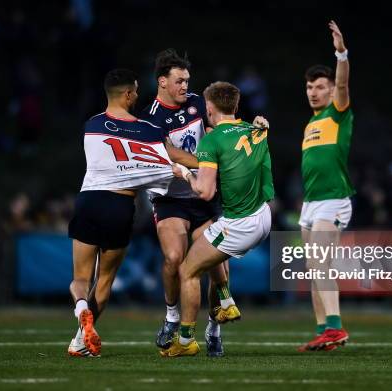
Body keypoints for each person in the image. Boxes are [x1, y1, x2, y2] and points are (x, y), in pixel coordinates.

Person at [66, 68, 182, 357]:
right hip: (120, 207)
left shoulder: (91, 125)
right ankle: (81, 340)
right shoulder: (149, 131)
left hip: (89, 201)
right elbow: (166, 159)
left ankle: (82, 312)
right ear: (129, 94)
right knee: (104, 280)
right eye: (136, 91)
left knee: (81, 278)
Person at [140, 49, 243, 357]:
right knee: (173, 258)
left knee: (215, 263)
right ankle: (172, 318)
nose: (185, 86)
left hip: (203, 197)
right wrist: (207, 160)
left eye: (187, 80)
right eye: (179, 81)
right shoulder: (149, 118)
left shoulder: (199, 103)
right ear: (162, 82)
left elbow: (217, 132)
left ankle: (214, 329)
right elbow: (171, 153)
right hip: (170, 199)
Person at [160, 81, 273, 357]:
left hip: (239, 224)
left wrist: (185, 174)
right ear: (235, 107)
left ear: (208, 108)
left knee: (188, 271)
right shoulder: (256, 129)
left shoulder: (211, 141)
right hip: (264, 215)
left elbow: (205, 191)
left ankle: (185, 341)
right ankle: (225, 301)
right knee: (207, 248)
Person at [296, 20, 353, 352]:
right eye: (309, 87)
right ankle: (323, 330)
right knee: (312, 266)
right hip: (311, 202)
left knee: (320, 261)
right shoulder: (312, 122)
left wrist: (341, 53)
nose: (313, 92)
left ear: (331, 90)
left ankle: (336, 327)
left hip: (334, 199)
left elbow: (343, 84)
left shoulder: (337, 113)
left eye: (320, 86)